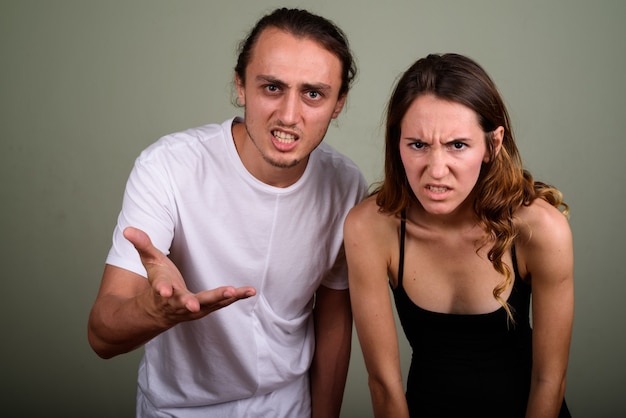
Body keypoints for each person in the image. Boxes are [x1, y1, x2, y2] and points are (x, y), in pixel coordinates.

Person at [87, 8, 367, 417]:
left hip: (288, 406)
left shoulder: (345, 184)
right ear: (240, 85)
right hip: (178, 409)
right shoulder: (168, 167)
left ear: (338, 103)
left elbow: (334, 323)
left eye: (313, 94)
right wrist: (155, 311)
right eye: (272, 87)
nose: (289, 115)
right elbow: (101, 335)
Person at [344, 53, 573, 417]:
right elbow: (383, 384)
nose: (436, 171)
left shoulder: (539, 228)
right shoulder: (369, 228)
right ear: (396, 142)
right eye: (417, 145)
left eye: (457, 145)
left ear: (493, 145)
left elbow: (549, 380)